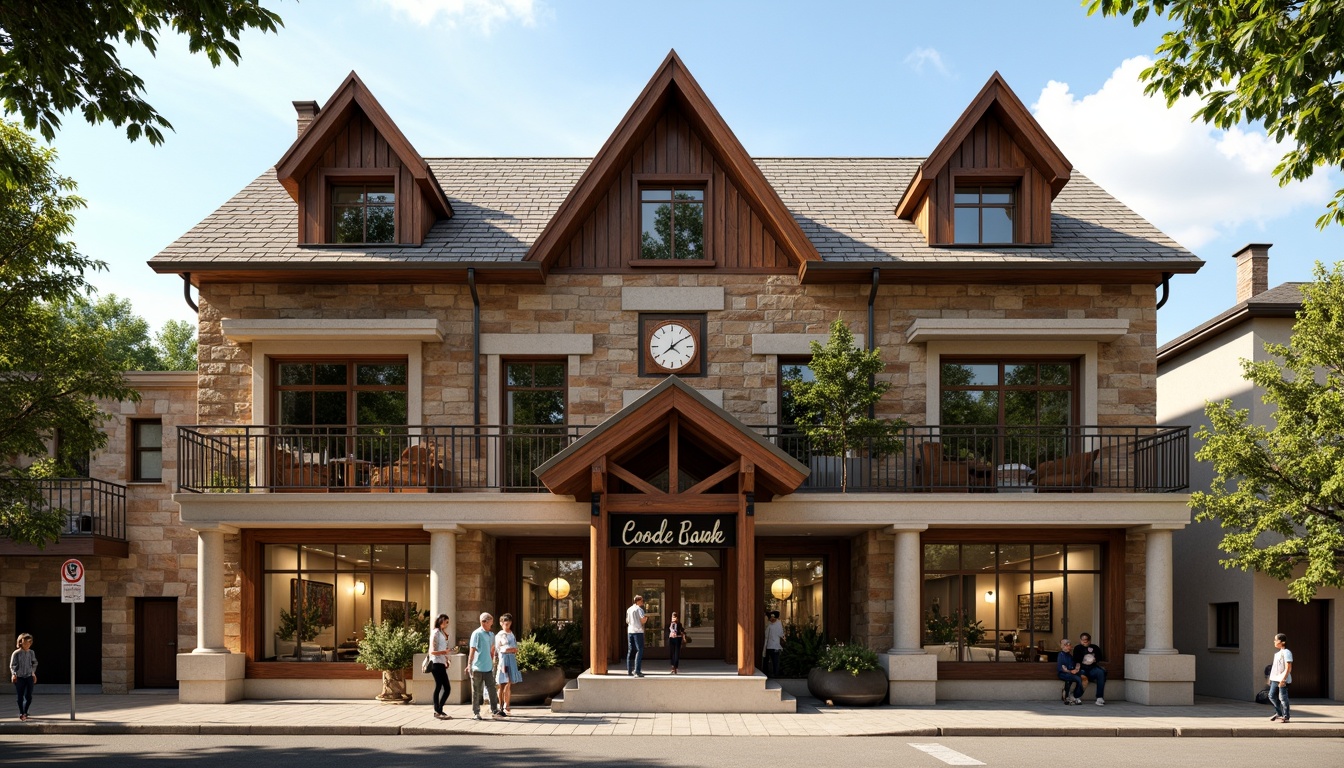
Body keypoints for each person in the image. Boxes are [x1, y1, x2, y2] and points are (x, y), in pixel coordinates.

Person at [467, 612, 503, 720]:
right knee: (476, 691)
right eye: (490, 623)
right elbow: (472, 650)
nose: (491, 625)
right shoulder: (476, 634)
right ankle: (476, 712)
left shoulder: (491, 635)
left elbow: (492, 650)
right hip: (477, 667)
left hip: (488, 667)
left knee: (492, 689)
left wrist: (494, 661)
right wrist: (469, 664)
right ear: (484, 622)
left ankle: (494, 710)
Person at [494, 613, 522, 715]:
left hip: (511, 658)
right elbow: (499, 648)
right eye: (506, 623)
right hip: (504, 660)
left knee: (509, 683)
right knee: (502, 682)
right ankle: (500, 705)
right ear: (501, 623)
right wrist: (508, 649)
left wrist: (512, 649)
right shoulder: (500, 635)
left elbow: (515, 647)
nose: (508, 625)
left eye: (509, 623)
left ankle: (507, 704)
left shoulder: (511, 634)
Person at [428, 614, 452, 720]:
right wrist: (444, 652)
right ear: (441, 621)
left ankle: (439, 710)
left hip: (441, 662)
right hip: (436, 662)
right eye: (446, 622)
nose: (447, 624)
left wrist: (446, 659)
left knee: (444, 687)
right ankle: (438, 710)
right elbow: (432, 651)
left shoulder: (442, 633)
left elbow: (442, 648)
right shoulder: (436, 633)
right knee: (442, 687)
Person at [10, 633, 36, 722]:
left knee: (29, 696)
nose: (27, 645)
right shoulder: (16, 653)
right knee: (20, 696)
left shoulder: (31, 652)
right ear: (20, 642)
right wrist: (14, 674)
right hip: (19, 677)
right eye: (25, 643)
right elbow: (12, 665)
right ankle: (22, 712)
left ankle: (26, 711)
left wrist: (33, 673)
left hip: (29, 676)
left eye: (29, 643)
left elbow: (34, 663)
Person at [1268, 632, 1293, 723]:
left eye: (1276, 640)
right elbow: (1275, 668)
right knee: (1271, 696)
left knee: (1283, 697)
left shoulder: (1287, 652)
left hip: (1282, 680)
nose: (1274, 641)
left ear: (1282, 642)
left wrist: (1283, 679)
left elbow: (1288, 667)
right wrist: (1270, 679)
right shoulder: (1278, 654)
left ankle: (1286, 716)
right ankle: (1279, 713)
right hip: (1275, 679)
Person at [1076, 631, 1106, 706]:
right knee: (1082, 676)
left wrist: (1094, 659)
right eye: (1083, 641)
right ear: (1080, 640)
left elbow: (1099, 657)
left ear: (1089, 641)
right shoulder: (1078, 648)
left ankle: (1099, 697)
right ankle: (1077, 696)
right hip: (1082, 668)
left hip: (1092, 668)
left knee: (1101, 672)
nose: (1084, 642)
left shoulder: (1095, 648)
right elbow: (1076, 659)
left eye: (1086, 641)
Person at [1056, 638, 1085, 705]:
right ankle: (1074, 696)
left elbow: (1075, 664)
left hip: (1071, 673)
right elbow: (1062, 667)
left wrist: (1076, 669)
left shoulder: (1070, 655)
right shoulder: (1061, 654)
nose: (1068, 646)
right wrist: (1070, 671)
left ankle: (1070, 696)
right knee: (1077, 679)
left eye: (1069, 644)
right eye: (1065, 645)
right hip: (1063, 673)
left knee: (1081, 676)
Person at [626, 595, 647, 677]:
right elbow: (642, 620)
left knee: (630, 650)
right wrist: (646, 619)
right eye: (642, 600)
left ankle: (629, 670)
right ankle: (637, 671)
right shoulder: (639, 609)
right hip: (638, 631)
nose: (643, 602)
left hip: (630, 630)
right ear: (638, 601)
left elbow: (627, 620)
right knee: (640, 650)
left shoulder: (629, 609)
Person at [762, 610, 784, 678]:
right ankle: (766, 673)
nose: (771, 619)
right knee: (766, 661)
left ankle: (776, 674)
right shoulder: (769, 624)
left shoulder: (778, 624)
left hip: (775, 646)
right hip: (768, 646)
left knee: (775, 661)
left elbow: (781, 634)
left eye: (773, 617)